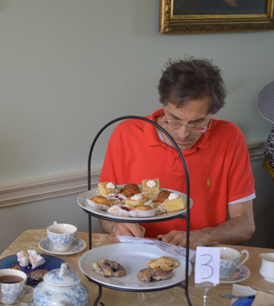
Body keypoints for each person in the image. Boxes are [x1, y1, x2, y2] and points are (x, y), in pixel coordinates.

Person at [99, 58, 255, 249]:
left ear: (213, 113)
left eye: (197, 123)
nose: (183, 133)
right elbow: (105, 212)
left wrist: (202, 236)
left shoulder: (230, 136)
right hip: (137, 252)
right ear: (164, 104)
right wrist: (116, 227)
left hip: (199, 257)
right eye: (174, 119)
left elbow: (245, 225)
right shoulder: (126, 134)